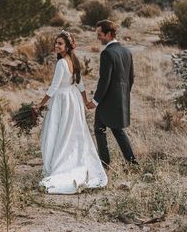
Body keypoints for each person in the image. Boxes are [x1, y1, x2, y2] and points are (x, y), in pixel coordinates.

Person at [35, 31, 107, 194]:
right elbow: (80, 85)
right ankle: (72, 160)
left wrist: (39, 105)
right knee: (72, 132)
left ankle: (59, 165)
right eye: (55, 43)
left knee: (56, 132)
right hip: (72, 100)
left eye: (60, 43)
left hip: (62, 100)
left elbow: (54, 88)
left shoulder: (61, 64)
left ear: (67, 46)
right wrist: (85, 102)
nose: (56, 46)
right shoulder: (74, 60)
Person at [86, 20, 137, 168]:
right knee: (117, 129)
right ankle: (132, 162)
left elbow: (104, 81)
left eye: (100, 34)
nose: (98, 38)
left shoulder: (107, 53)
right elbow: (131, 78)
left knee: (99, 129)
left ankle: (104, 163)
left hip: (107, 100)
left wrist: (95, 101)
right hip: (121, 99)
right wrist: (123, 95)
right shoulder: (127, 51)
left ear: (109, 34)